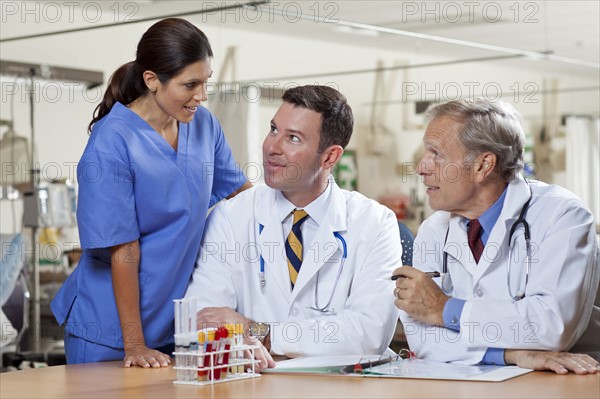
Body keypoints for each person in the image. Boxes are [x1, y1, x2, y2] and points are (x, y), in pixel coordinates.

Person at [51, 18, 249, 368]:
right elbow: (124, 249)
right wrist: (135, 345)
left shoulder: (203, 125)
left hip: (173, 327)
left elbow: (242, 194)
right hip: (110, 331)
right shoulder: (112, 143)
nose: (201, 96)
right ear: (152, 80)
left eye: (206, 82)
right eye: (190, 84)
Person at [185, 85, 401, 368]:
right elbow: (204, 318)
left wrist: (259, 331)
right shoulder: (231, 216)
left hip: (341, 386)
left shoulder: (375, 223)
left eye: (293, 138)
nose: (272, 147)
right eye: (273, 129)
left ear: (330, 157)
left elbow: (367, 333)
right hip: (253, 384)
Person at [394, 98, 600, 374]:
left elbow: (552, 326)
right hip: (472, 381)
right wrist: (509, 354)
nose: (421, 167)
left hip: (565, 378)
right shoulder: (434, 230)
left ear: (483, 165)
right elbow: (422, 338)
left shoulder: (562, 215)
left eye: (436, 154)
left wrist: (444, 309)